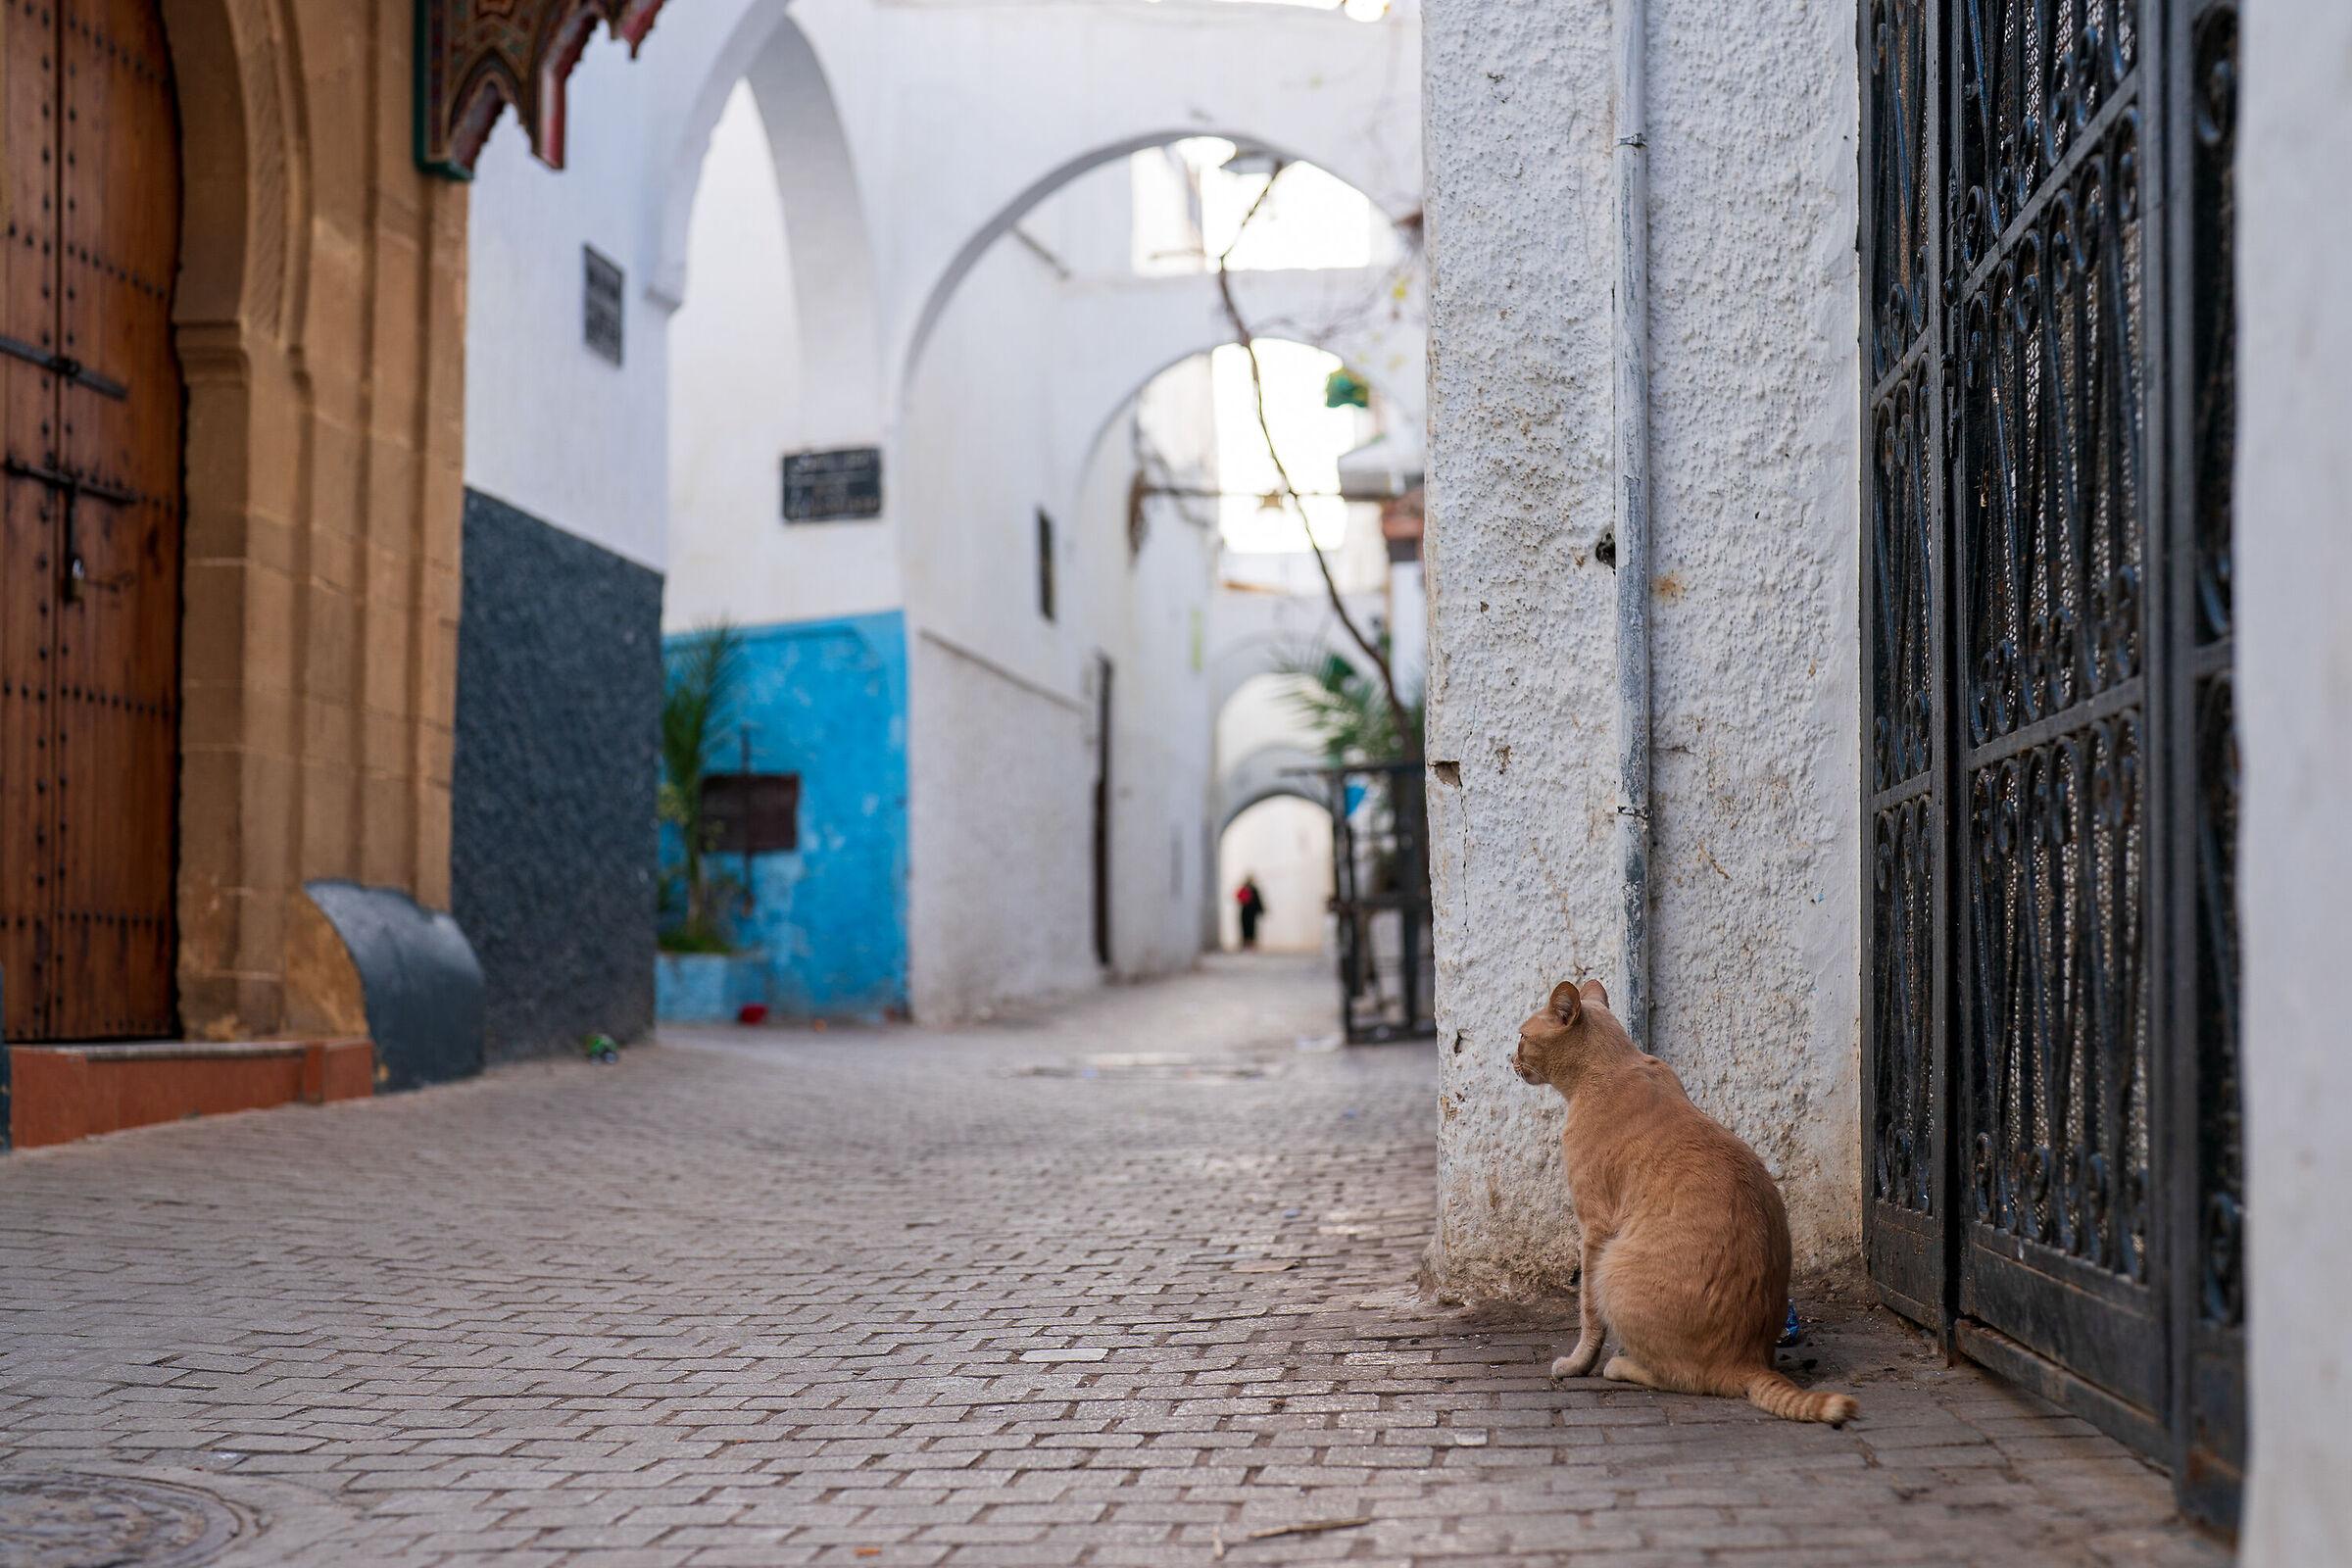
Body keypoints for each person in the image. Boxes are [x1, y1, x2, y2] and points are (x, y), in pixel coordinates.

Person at [1236, 876, 1268, 950]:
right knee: (1245, 927)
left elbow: (1258, 901)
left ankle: (1251, 942)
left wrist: (1261, 910)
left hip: (1251, 912)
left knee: (1252, 927)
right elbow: (1239, 898)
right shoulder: (1244, 889)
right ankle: (1246, 942)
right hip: (1245, 912)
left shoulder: (1254, 890)